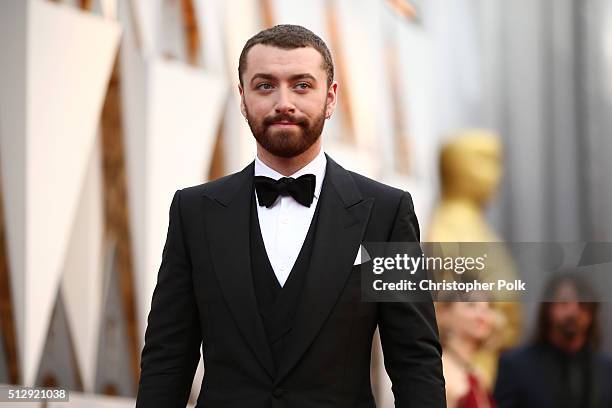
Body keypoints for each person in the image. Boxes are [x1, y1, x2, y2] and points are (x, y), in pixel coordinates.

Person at [135, 24, 445, 407]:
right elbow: (168, 357)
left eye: (302, 85)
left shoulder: (385, 212)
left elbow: (414, 361)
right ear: (243, 97)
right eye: (265, 85)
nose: (284, 101)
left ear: (330, 98)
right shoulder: (194, 211)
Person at [494, 272, 612, 408]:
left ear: (592, 313)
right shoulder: (515, 366)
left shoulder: (607, 371)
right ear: (547, 309)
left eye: (583, 304)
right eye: (564, 303)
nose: (573, 311)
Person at [437, 294, 497, 408]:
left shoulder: (479, 374)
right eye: (471, 305)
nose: (483, 315)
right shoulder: (439, 371)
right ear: (444, 313)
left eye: (488, 306)